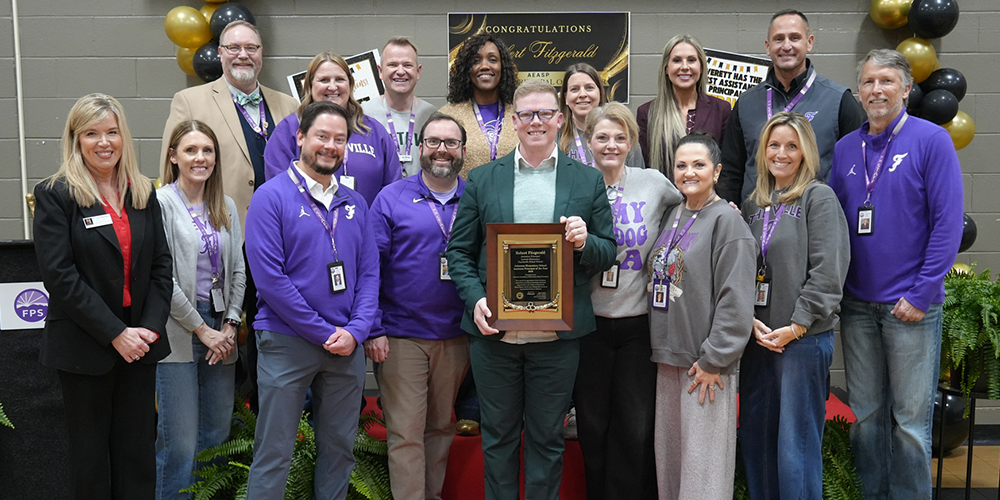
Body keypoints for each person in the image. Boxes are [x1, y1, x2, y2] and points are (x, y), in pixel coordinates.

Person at [446, 79, 617, 500]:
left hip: (558, 339)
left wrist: (583, 241)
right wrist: (477, 299)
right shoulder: (484, 179)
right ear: (515, 122)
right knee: (498, 440)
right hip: (494, 336)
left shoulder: (588, 180)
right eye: (526, 114)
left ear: (560, 120)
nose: (535, 122)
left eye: (544, 113)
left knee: (547, 441)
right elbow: (459, 252)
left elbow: (608, 251)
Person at [829, 48, 963, 500]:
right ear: (859, 91)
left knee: (909, 425)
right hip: (857, 306)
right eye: (868, 82)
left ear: (906, 89)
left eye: (887, 81)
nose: (876, 90)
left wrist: (922, 292)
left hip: (911, 308)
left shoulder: (932, 140)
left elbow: (947, 223)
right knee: (865, 417)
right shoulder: (847, 147)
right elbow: (832, 224)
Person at [33, 93, 173, 499]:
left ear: (123, 136)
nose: (104, 142)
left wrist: (146, 329)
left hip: (140, 345)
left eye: (112, 132)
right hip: (85, 346)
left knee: (137, 457)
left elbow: (162, 268)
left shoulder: (143, 192)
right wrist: (116, 333)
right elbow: (59, 276)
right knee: (91, 462)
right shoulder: (56, 194)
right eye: (91, 133)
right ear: (76, 139)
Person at [160, 19, 299, 411]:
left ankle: (270, 424)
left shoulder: (288, 105)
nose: (243, 54)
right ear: (219, 53)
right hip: (224, 245)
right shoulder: (191, 101)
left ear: (262, 54)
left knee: (273, 338)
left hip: (282, 244)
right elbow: (170, 175)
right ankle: (233, 435)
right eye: (233, 47)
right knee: (229, 341)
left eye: (251, 48)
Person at [244, 101, 379, 499]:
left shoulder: (355, 204)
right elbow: (270, 281)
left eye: (340, 139)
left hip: (345, 347)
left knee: (339, 452)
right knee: (274, 452)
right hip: (287, 342)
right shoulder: (271, 198)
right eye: (322, 136)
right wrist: (323, 332)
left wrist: (356, 331)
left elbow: (370, 275)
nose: (330, 146)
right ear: (300, 137)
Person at [738, 112, 849, 500]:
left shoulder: (819, 197)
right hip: (759, 340)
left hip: (801, 341)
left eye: (791, 146)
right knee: (757, 439)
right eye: (774, 145)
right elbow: (741, 270)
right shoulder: (756, 205)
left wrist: (798, 324)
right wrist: (749, 321)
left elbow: (828, 272)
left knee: (795, 448)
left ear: (805, 153)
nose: (781, 153)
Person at [574, 103, 682, 500]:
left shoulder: (653, 182)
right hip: (588, 326)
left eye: (620, 137)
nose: (611, 145)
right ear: (588, 142)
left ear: (632, 142)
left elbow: (694, 207)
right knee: (592, 425)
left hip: (638, 326)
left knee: (635, 427)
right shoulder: (575, 185)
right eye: (602, 137)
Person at [366, 112, 470, 500]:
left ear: (462, 150)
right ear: (420, 147)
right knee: (406, 434)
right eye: (434, 142)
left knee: (442, 427)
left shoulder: (473, 196)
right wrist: (373, 327)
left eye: (450, 143)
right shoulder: (391, 197)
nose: (442, 150)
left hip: (458, 336)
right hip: (401, 335)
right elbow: (369, 268)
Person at [648, 133, 756, 500]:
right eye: (681, 165)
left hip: (705, 366)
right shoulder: (674, 214)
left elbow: (736, 297)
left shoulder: (727, 222)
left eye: (699, 165)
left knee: (703, 474)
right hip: (668, 358)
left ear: (717, 170)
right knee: (673, 468)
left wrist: (715, 358)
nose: (689, 172)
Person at [155, 120, 246, 500]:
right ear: (173, 156)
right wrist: (200, 328)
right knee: (180, 443)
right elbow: (161, 277)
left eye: (207, 151)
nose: (200, 158)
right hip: (179, 332)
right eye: (191, 150)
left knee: (215, 438)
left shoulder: (224, 205)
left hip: (221, 331)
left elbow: (238, 270)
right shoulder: (159, 203)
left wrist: (229, 323)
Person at [718, 9, 866, 204]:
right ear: (768, 46)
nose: (786, 46)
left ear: (809, 42)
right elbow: (731, 172)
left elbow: (857, 169)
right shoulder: (746, 103)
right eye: (778, 39)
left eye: (794, 38)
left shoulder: (839, 100)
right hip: (754, 222)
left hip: (812, 223)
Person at [265, 51, 402, 206]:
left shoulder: (373, 130)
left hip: (365, 226)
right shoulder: (290, 129)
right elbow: (278, 188)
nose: (332, 86)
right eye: (324, 80)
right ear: (309, 85)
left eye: (340, 79)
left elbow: (393, 190)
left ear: (350, 84)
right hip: (305, 226)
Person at [636, 34, 731, 176]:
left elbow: (728, 167)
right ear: (666, 69)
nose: (685, 67)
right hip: (664, 197)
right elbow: (644, 168)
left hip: (707, 197)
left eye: (692, 60)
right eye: (677, 60)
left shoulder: (721, 109)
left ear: (701, 68)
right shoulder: (647, 113)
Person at [439, 33, 520, 178]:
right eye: (476, 61)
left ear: (503, 67)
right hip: (465, 198)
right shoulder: (448, 116)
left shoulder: (521, 113)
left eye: (492, 59)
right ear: (466, 69)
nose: (484, 66)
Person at [361, 37, 438, 178]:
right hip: (378, 198)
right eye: (393, 65)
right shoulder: (362, 115)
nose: (401, 71)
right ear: (380, 71)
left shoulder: (433, 116)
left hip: (423, 198)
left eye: (407, 65)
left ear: (418, 71)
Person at [557, 63, 645, 169]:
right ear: (566, 98)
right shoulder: (554, 137)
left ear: (601, 93)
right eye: (574, 89)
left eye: (589, 88)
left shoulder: (624, 134)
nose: (582, 94)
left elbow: (637, 180)